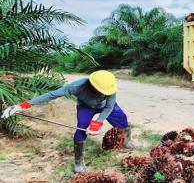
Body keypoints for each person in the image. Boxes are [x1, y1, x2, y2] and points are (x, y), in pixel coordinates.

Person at [1, 70, 136, 173]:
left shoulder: (110, 88)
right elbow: (51, 95)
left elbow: (109, 106)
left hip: (105, 107)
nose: (103, 93)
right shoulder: (77, 86)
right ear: (92, 84)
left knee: (123, 120)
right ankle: (79, 163)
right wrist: (22, 106)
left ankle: (127, 142)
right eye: (100, 90)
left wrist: (98, 123)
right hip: (85, 106)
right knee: (80, 131)